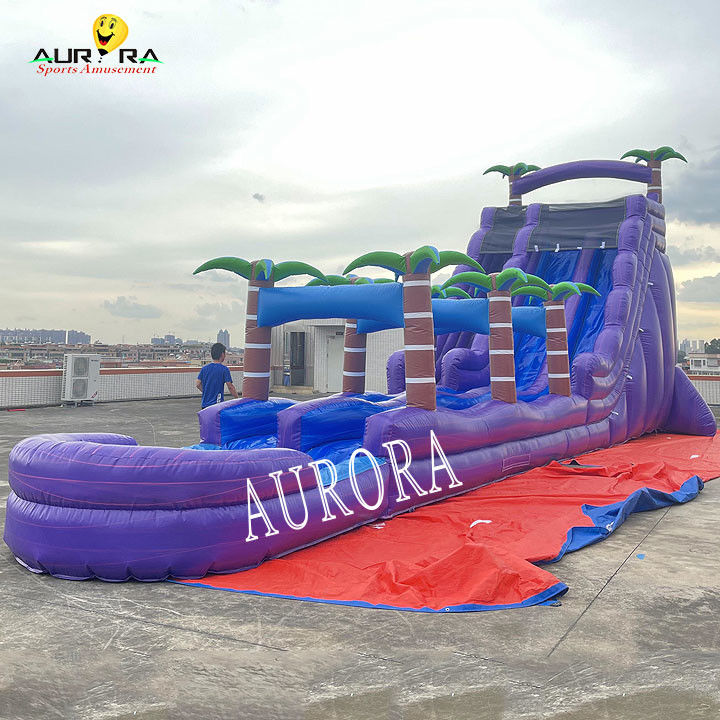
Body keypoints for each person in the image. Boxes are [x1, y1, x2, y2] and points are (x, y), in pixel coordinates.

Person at [196, 343, 239, 408]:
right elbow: (230, 387)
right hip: (217, 405)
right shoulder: (224, 369)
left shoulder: (204, 368)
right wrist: (238, 399)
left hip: (205, 405)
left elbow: (198, 384)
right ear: (222, 354)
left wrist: (206, 392)